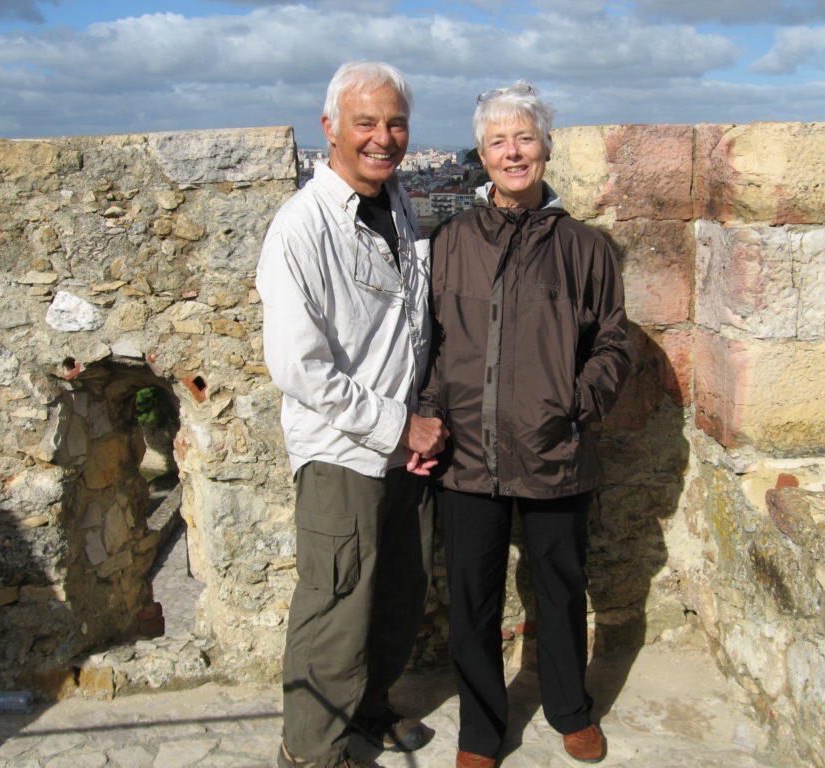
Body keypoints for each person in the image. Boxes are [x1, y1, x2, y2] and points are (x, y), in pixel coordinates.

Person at [417, 81, 632, 768]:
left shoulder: (584, 248)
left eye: (524, 138)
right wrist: (426, 411)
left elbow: (615, 340)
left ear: (545, 147)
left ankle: (571, 709)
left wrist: (577, 402)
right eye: (497, 141)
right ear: (481, 154)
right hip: (468, 452)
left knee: (562, 586)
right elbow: (427, 341)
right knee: (473, 597)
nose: (512, 152)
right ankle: (481, 731)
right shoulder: (449, 241)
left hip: (553, 448)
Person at [257, 61, 449, 768]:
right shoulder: (301, 229)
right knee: (336, 608)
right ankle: (309, 752)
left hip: (402, 446)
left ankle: (367, 713)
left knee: (398, 593)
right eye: (365, 122)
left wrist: (418, 423)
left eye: (395, 122)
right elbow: (300, 366)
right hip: (343, 449)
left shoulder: (398, 203)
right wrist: (399, 425)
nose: (383, 137)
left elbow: (411, 329)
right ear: (330, 128)